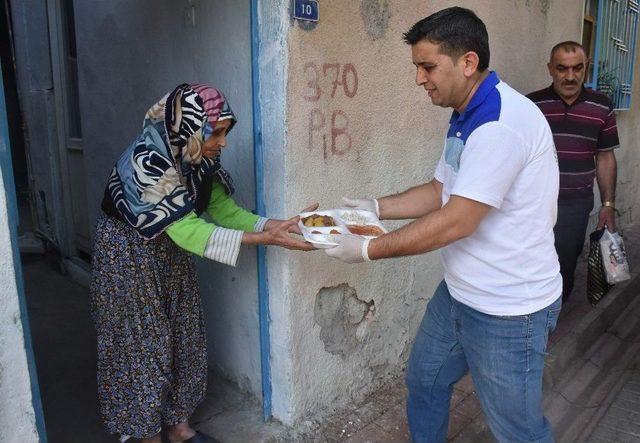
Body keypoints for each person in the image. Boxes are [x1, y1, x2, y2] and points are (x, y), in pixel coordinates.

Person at [325, 8, 562, 442]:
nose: (420, 78)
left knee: (518, 431)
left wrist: (365, 249)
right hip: (458, 293)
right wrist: (374, 208)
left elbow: (456, 221)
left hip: (508, 309)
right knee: (426, 382)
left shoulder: (499, 125)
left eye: (427, 66)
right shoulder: (466, 113)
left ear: (468, 63)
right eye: (418, 66)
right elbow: (441, 190)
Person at [90, 83, 314, 443]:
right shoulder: (148, 159)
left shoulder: (197, 154)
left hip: (171, 246)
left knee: (185, 333)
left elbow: (224, 211)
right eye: (218, 132)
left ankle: (179, 428)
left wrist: (277, 226)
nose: (223, 142)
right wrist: (264, 239)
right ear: (192, 125)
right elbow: (189, 231)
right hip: (128, 252)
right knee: (143, 347)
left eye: (225, 131)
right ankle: (145, 436)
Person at [527, 41, 619, 300]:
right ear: (550, 69)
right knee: (530, 262)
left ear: (586, 69)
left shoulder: (602, 107)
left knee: (564, 263)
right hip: (533, 202)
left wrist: (608, 204)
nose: (570, 76)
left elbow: (605, 156)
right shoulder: (532, 105)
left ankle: (553, 315)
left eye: (577, 68)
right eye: (562, 68)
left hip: (574, 204)